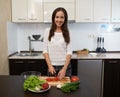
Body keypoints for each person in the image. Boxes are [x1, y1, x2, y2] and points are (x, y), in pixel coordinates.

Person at [43, 7, 72, 80]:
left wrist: (64, 69)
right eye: (57, 17)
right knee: (52, 90)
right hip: (52, 67)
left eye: (62, 17)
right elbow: (45, 50)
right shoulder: (47, 31)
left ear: (65, 19)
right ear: (53, 18)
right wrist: (49, 66)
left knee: (65, 89)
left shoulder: (68, 32)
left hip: (65, 67)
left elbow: (69, 52)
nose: (59, 20)